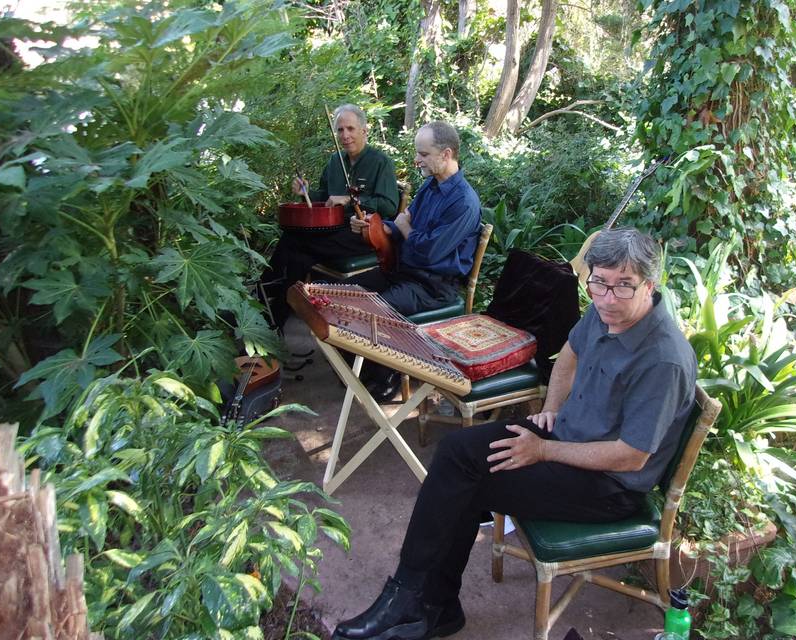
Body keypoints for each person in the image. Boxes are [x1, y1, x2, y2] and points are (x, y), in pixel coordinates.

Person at [331, 228, 698, 640]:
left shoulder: (664, 359)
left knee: (467, 484)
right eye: (599, 282)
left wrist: (541, 450)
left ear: (650, 284)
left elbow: (631, 457)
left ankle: (424, 603)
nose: (608, 297)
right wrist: (551, 409)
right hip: (564, 437)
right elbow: (569, 355)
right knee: (456, 452)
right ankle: (414, 596)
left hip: (608, 485)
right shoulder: (605, 308)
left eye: (623, 287)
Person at [345, 120, 482, 400]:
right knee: (344, 294)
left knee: (378, 311)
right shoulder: (431, 186)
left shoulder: (464, 202)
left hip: (433, 287)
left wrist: (405, 227)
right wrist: (378, 228)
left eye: (423, 154)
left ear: (445, 154)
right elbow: (401, 226)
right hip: (404, 271)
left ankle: (387, 376)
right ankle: (358, 367)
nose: (416, 159)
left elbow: (429, 251)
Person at [261, 104, 399, 331]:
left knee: (297, 247)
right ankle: (273, 314)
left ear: (364, 130)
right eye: (340, 130)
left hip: (361, 234)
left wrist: (350, 200)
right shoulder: (336, 161)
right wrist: (305, 192)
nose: (345, 136)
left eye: (351, 129)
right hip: (333, 231)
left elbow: (389, 206)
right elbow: (325, 196)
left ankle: (267, 306)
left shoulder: (380, 162)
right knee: (294, 248)